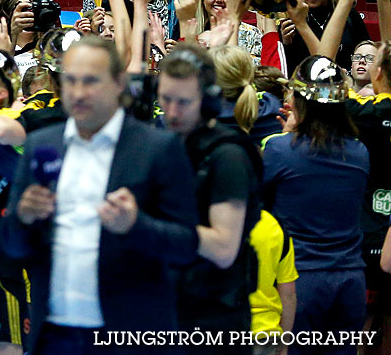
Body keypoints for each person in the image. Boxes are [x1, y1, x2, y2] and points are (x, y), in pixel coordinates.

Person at [0, 37, 198, 347]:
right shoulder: (42, 145)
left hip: (128, 335)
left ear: (119, 82)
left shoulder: (158, 149)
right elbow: (12, 246)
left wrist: (136, 225)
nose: (78, 93)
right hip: (53, 335)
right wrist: (23, 217)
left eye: (90, 81)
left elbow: (186, 246)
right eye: (70, 81)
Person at [263, 57, 371, 342]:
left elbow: (262, 204)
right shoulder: (360, 152)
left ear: (299, 102)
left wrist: (287, 137)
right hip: (350, 281)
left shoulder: (279, 149)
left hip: (299, 280)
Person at [158, 46, 262, 338]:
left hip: (213, 320)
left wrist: (142, 223)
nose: (173, 112)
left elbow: (223, 248)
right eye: (166, 99)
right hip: (167, 307)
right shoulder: (167, 144)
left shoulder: (228, 156)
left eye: (184, 102)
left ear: (209, 100)